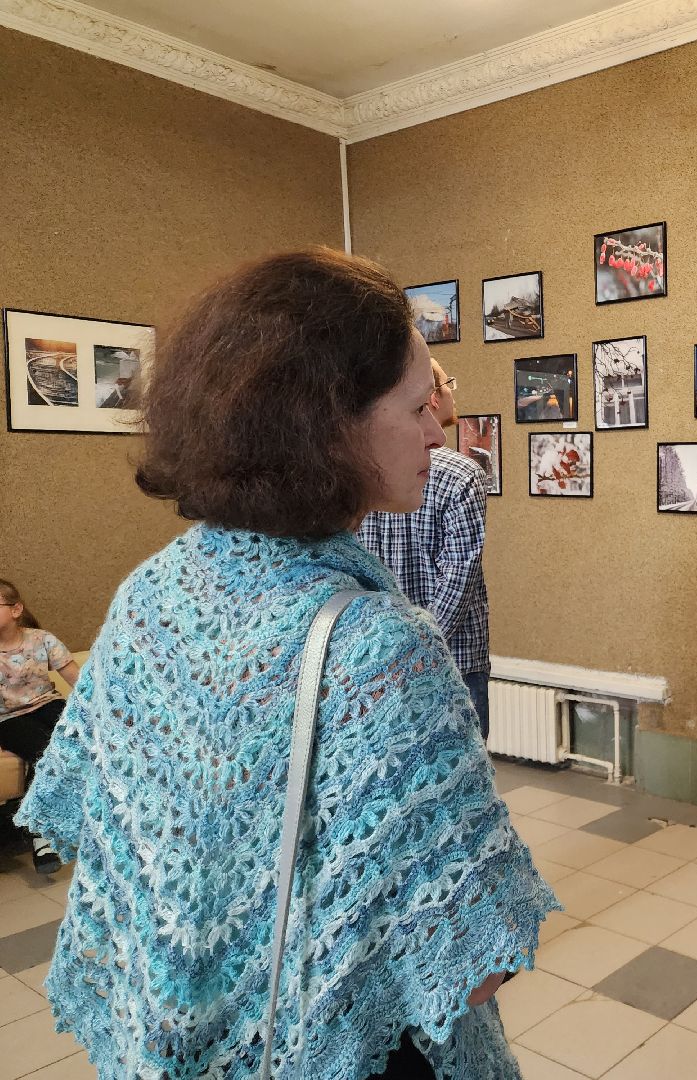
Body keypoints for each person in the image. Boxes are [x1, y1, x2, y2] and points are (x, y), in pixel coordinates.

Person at [17, 248, 557, 1079]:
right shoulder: (379, 648)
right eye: (417, 406)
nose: (439, 429)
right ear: (328, 424)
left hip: (175, 1043)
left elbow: (108, 833)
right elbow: (476, 965)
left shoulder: (148, 595)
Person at [358, 357, 493, 739]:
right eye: (448, 385)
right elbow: (458, 580)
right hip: (453, 658)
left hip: (382, 655)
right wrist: (423, 649)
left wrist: (396, 651)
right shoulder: (463, 474)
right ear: (430, 398)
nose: (452, 394)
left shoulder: (369, 473)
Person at [0, 579, 79, 873]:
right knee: (44, 752)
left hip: (47, 703)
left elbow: (78, 682)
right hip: (8, 717)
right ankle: (40, 834)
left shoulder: (41, 639)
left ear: (16, 609)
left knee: (74, 744)